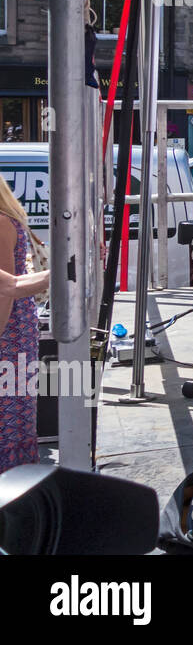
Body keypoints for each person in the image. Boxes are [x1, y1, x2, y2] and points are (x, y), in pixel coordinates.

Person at [1, 175, 50, 474]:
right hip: (16, 328)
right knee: (15, 416)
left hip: (9, 333)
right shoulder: (7, 219)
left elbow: (9, 288)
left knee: (10, 419)